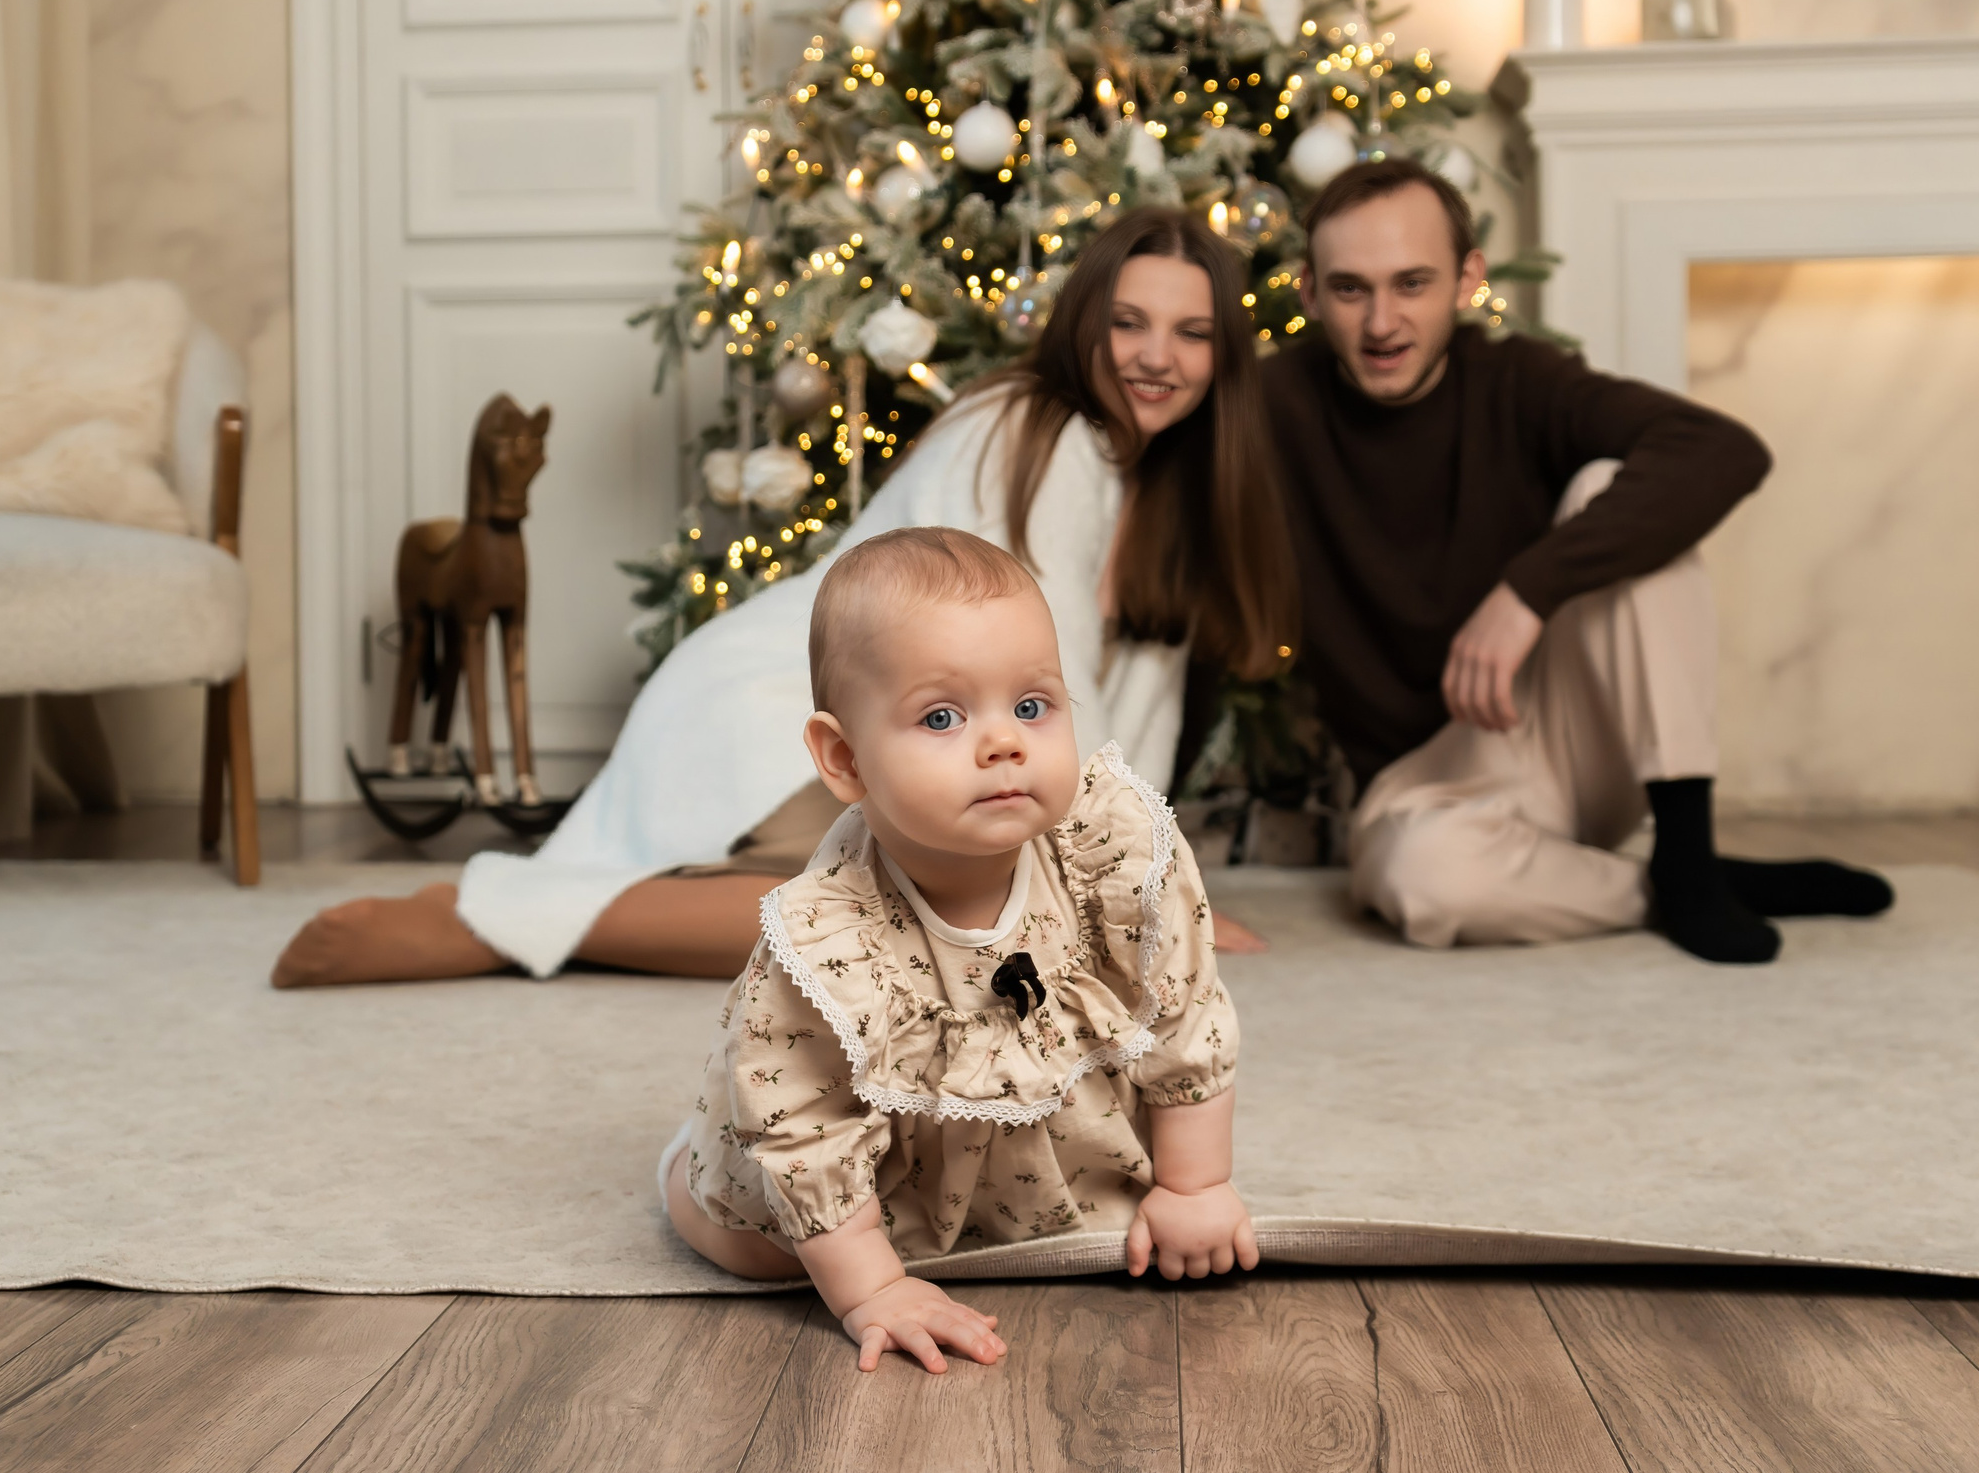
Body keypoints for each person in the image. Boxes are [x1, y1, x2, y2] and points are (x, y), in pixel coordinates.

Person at [272, 206, 1293, 987]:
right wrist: (1147, 904)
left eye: (1191, 333)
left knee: (971, 923)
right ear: (1083, 326)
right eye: (1127, 323)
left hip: (913, 739)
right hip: (794, 712)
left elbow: (1129, 730)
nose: (1157, 356)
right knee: (927, 925)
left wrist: (1154, 890)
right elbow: (1048, 685)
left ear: (1223, 357)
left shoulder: (1167, 491)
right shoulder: (1040, 431)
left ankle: (544, 910)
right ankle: (500, 922)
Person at [1264, 159, 1892, 964]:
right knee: (1425, 880)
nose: (1383, 321)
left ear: (1467, 279)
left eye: (1412, 284)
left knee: (1623, 491)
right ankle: (1678, 883)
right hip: (1428, 784)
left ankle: (1684, 845)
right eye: (1352, 289)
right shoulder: (1268, 408)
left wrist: (1526, 591)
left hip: (1564, 734)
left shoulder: (1521, 380)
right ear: (1310, 294)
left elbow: (1722, 449)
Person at [666, 526, 1255, 1371]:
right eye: (942, 716)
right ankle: (682, 1166)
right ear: (845, 758)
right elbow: (804, 1124)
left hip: (1029, 1156)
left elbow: (1184, 1011)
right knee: (760, 1246)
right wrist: (873, 1287)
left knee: (1115, 1211)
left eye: (1031, 705)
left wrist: (1194, 1184)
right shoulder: (828, 939)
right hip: (853, 1161)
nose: (1004, 741)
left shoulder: (1112, 855)